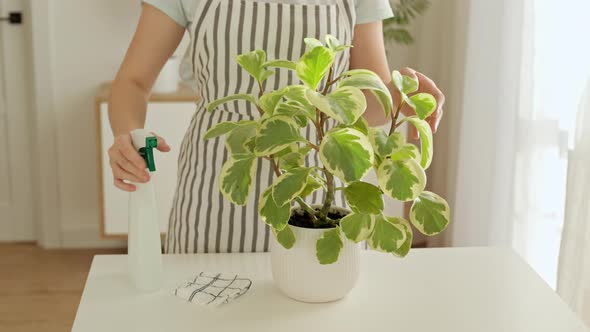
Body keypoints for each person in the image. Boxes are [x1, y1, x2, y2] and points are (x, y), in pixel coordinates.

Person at [107, 0, 445, 254]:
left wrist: (403, 94)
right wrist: (128, 134)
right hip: (214, 198)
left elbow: (367, 105)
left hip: (321, 199)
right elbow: (133, 82)